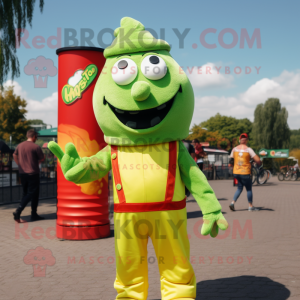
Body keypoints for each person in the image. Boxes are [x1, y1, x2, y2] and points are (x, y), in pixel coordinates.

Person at [12, 129, 45, 221]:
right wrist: (38, 162)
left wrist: (19, 165)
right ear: (34, 136)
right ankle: (19, 211)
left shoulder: (20, 145)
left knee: (26, 193)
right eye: (36, 137)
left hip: (22, 173)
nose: (36, 138)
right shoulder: (36, 147)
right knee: (32, 193)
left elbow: (14, 155)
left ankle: (33, 214)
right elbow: (42, 158)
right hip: (33, 173)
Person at [229, 133, 261, 212]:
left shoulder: (234, 149)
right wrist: (259, 164)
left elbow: (230, 162)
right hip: (245, 172)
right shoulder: (248, 149)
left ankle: (232, 202)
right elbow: (258, 160)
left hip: (236, 172)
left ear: (240, 140)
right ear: (246, 140)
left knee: (239, 188)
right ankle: (250, 206)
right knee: (249, 189)